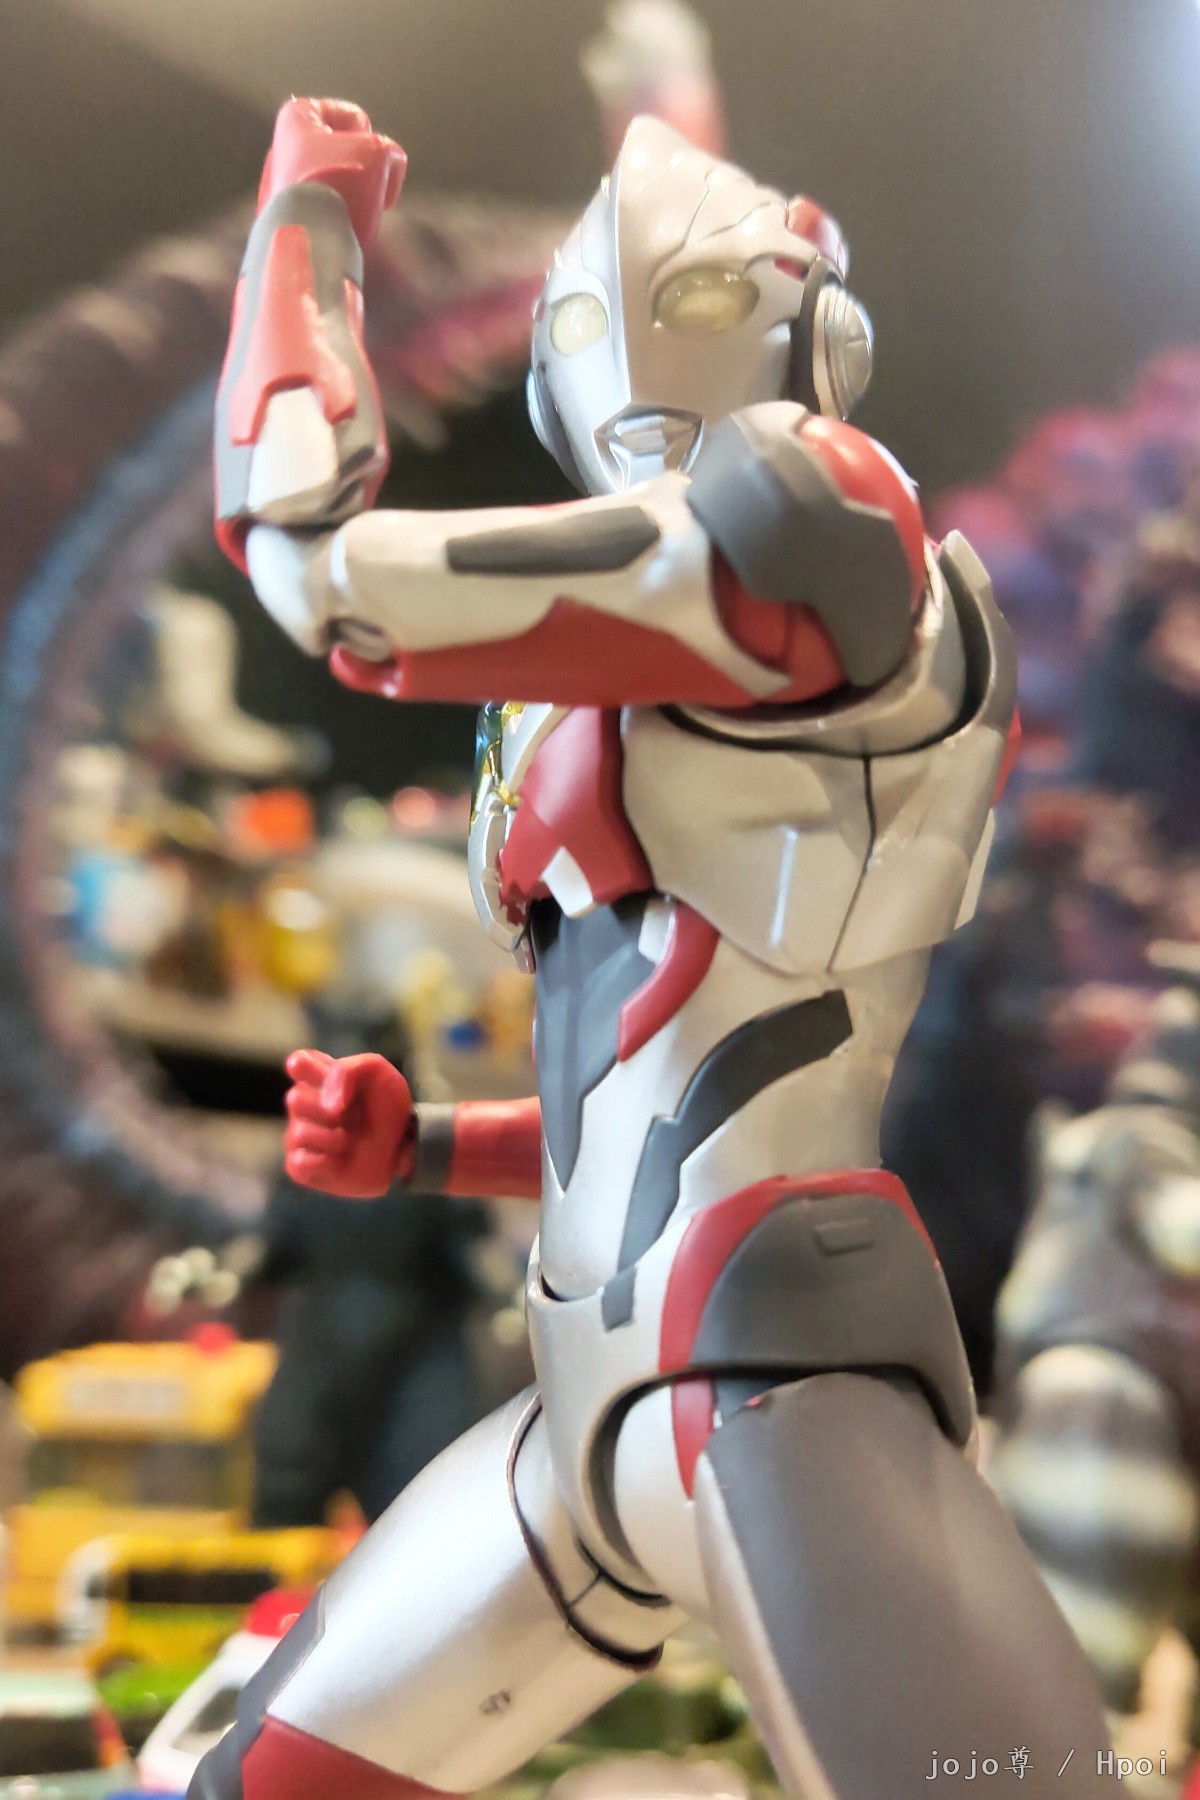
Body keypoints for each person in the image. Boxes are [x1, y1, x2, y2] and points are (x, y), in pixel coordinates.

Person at [192, 97, 1117, 1800]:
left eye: (688, 293)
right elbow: (646, 1092)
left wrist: (305, 234)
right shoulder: (639, 659)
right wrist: (430, 1148)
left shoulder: (820, 527)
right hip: (586, 1412)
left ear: (810, 325)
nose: (627, 341)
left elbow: (323, 577)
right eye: (590, 316)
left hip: (777, 1373)